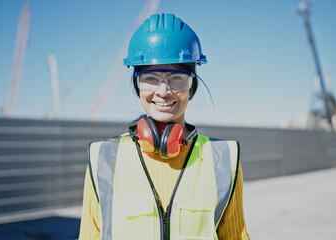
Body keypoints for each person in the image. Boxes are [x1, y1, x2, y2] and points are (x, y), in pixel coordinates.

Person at [79, 13, 250, 240]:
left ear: (192, 85)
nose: (163, 91)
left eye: (177, 77)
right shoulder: (104, 158)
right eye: (150, 77)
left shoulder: (223, 159)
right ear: (137, 84)